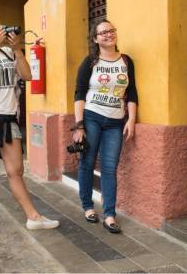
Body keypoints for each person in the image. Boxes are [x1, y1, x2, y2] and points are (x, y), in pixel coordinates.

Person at [0, 9, 59, 236]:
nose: (1, 31)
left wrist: (17, 49)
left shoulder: (9, 51)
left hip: (8, 120)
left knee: (16, 170)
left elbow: (27, 76)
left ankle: (33, 217)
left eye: (2, 26)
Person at [73, 19, 138, 233]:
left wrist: (131, 119)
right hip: (92, 117)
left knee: (110, 168)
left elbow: (132, 92)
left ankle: (109, 214)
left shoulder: (126, 61)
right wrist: (79, 125)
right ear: (95, 39)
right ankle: (88, 206)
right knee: (87, 162)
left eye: (111, 30)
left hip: (115, 122)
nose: (108, 35)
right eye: (103, 33)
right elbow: (79, 93)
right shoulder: (90, 62)